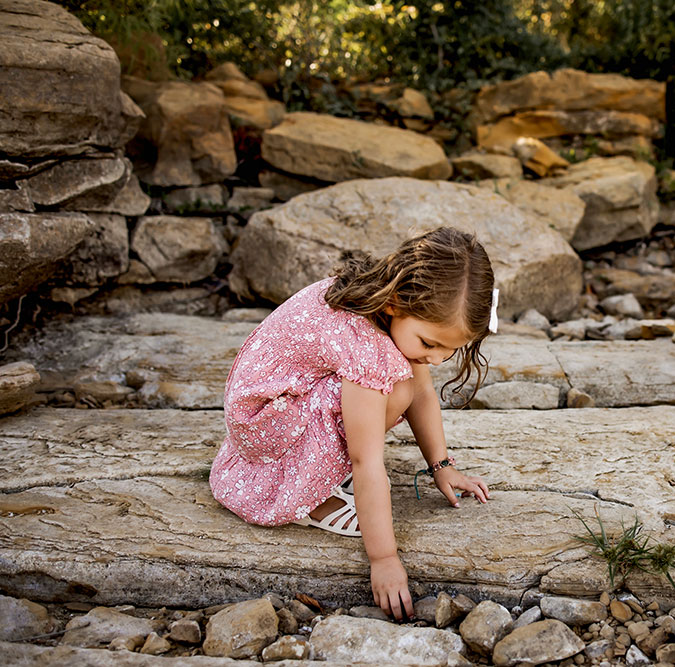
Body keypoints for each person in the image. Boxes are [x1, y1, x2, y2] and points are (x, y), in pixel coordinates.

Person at [210, 226, 496, 620]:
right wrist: (384, 558)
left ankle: (313, 466)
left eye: (453, 348)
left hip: (280, 401)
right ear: (397, 302)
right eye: (431, 343)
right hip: (265, 423)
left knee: (405, 380)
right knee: (394, 392)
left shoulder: (382, 302)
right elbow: (366, 460)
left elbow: (425, 391)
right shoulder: (364, 344)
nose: (440, 358)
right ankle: (309, 495)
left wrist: (442, 466)